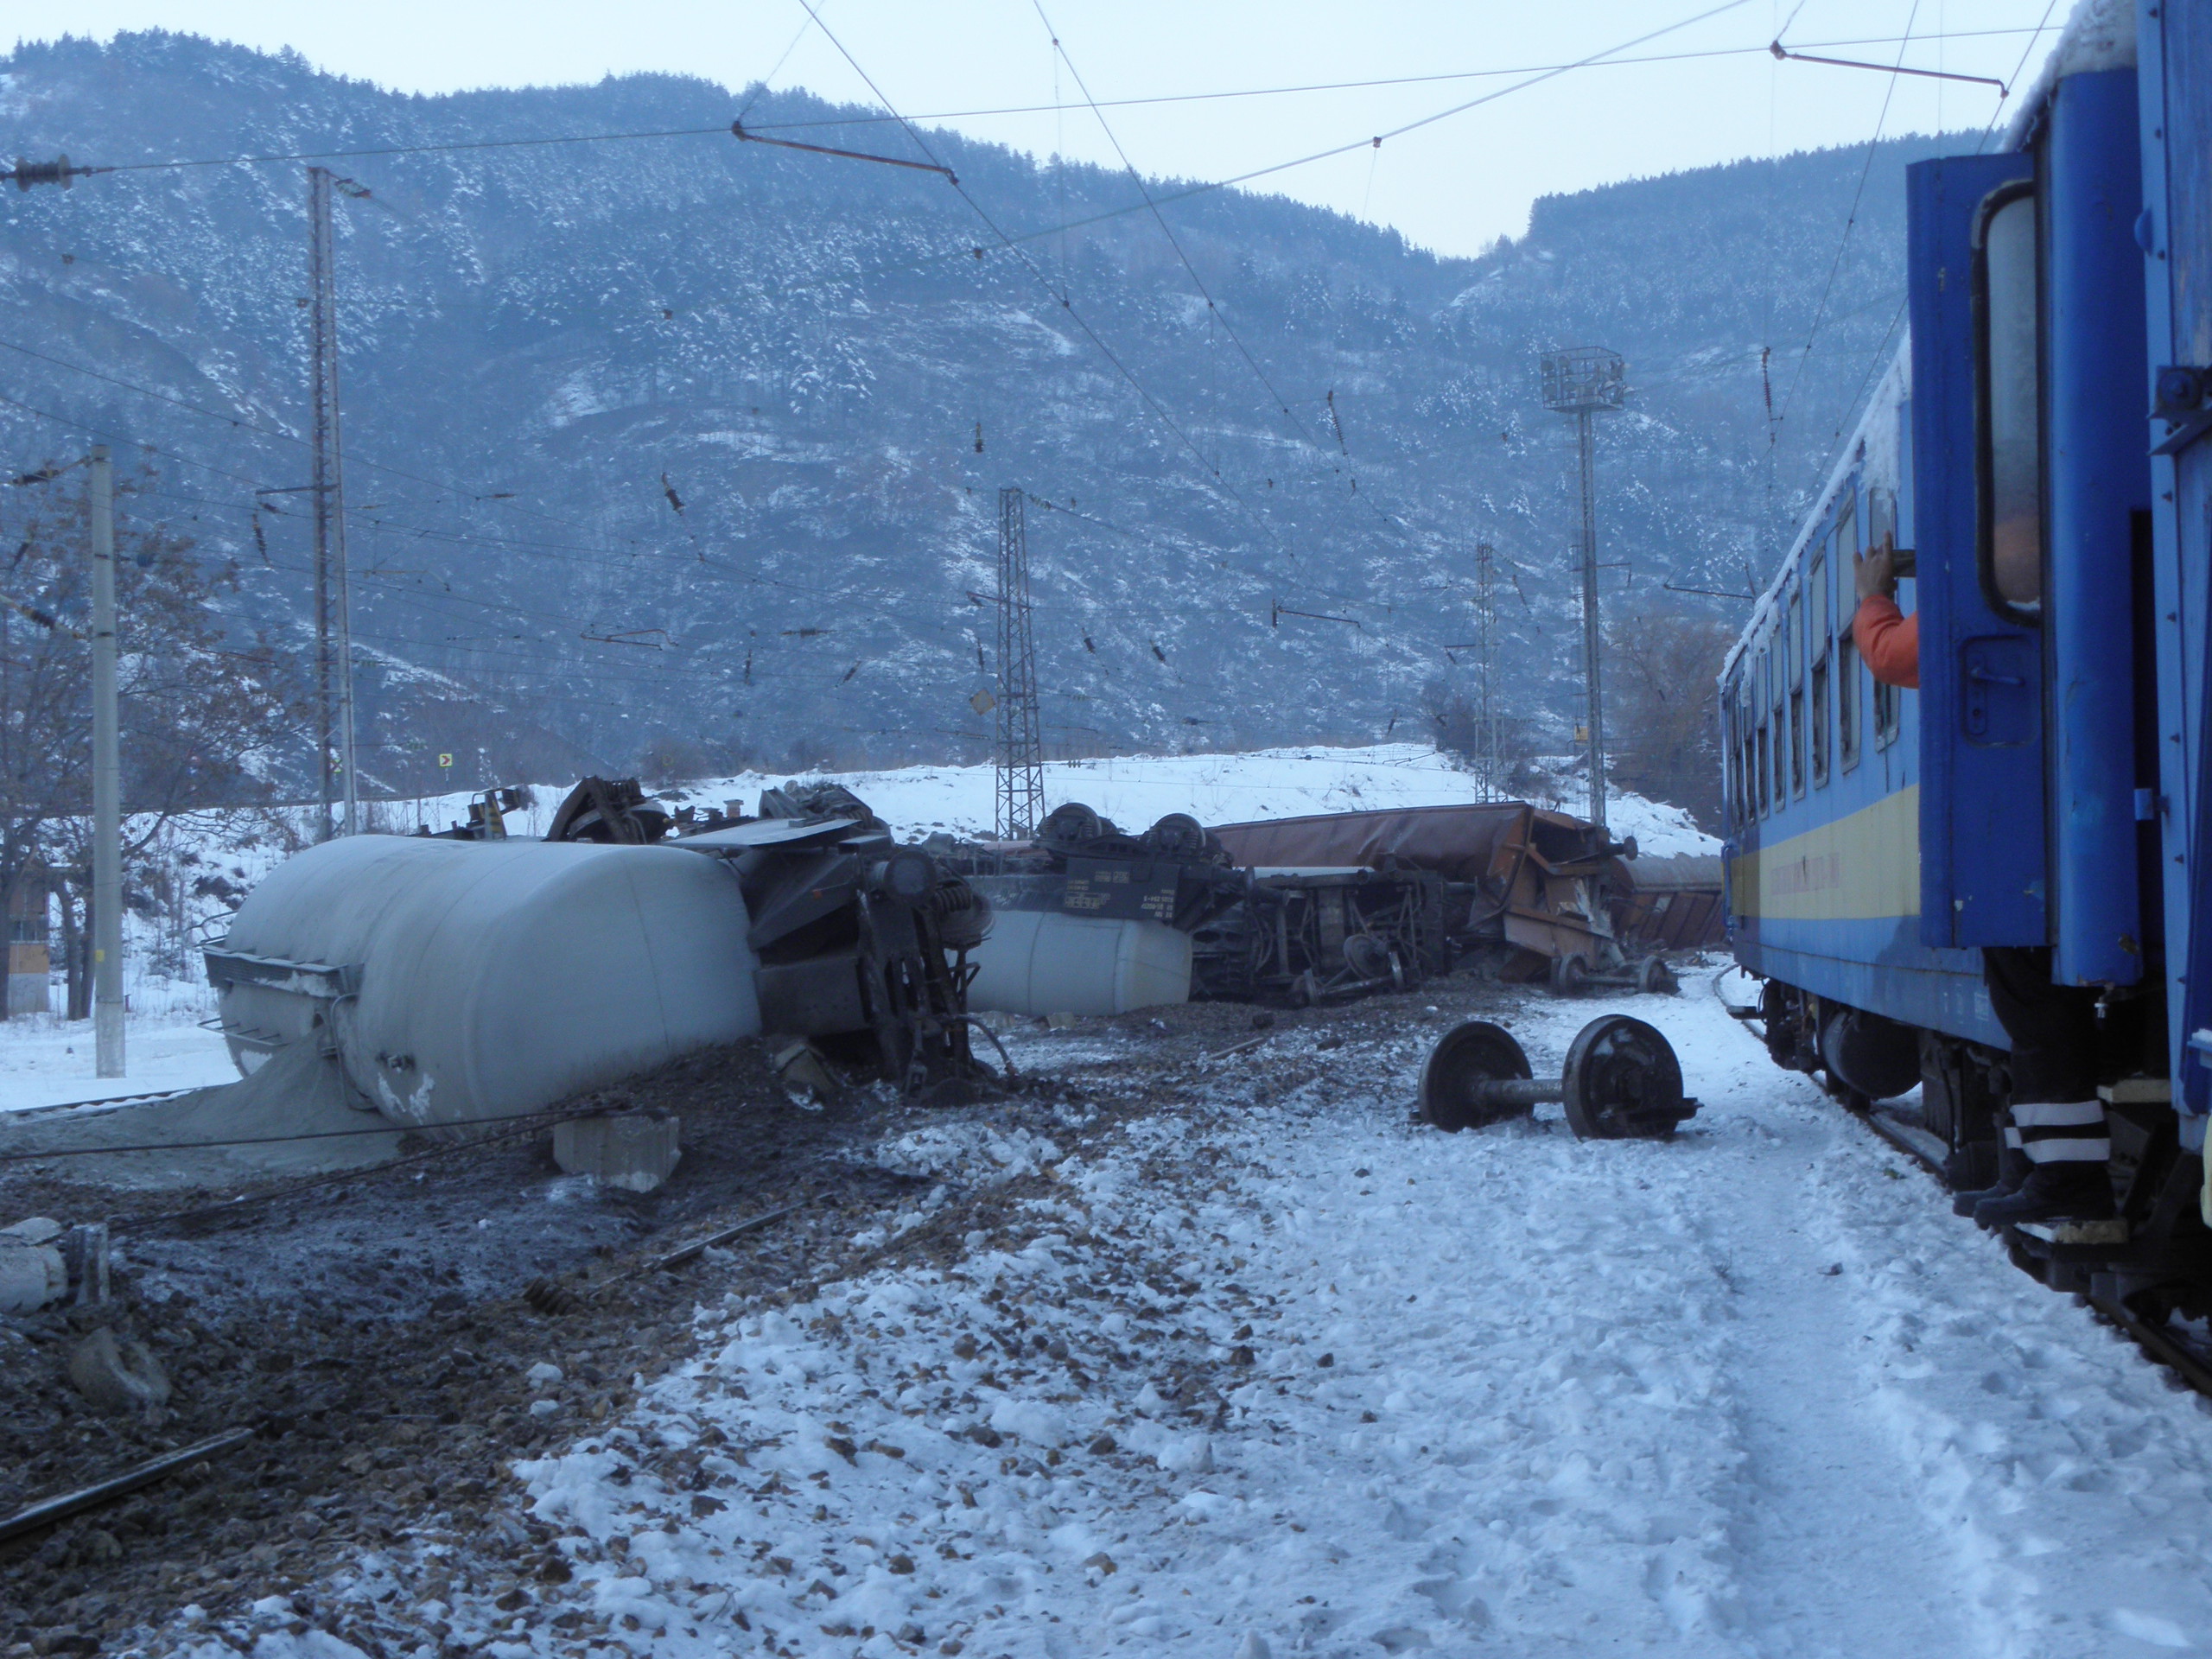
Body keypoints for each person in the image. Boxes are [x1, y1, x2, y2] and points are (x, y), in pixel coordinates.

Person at [1851, 539, 2113, 1226]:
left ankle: (2068, 1178)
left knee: (2030, 998)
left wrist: (1873, 594)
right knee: (2030, 1001)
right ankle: (2039, 1166)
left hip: (2030, 826)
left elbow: (1892, 655)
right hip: (2076, 816)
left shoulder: (1994, 575)